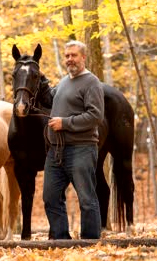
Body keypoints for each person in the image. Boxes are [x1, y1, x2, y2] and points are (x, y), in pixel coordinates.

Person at [43, 40, 104, 239]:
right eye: (67, 55)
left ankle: (90, 242)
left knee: (87, 198)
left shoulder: (91, 82)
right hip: (56, 151)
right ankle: (61, 240)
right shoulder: (63, 81)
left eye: (74, 55)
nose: (70, 59)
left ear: (83, 57)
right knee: (50, 197)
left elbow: (95, 116)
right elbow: (49, 98)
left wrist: (65, 123)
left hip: (82, 148)